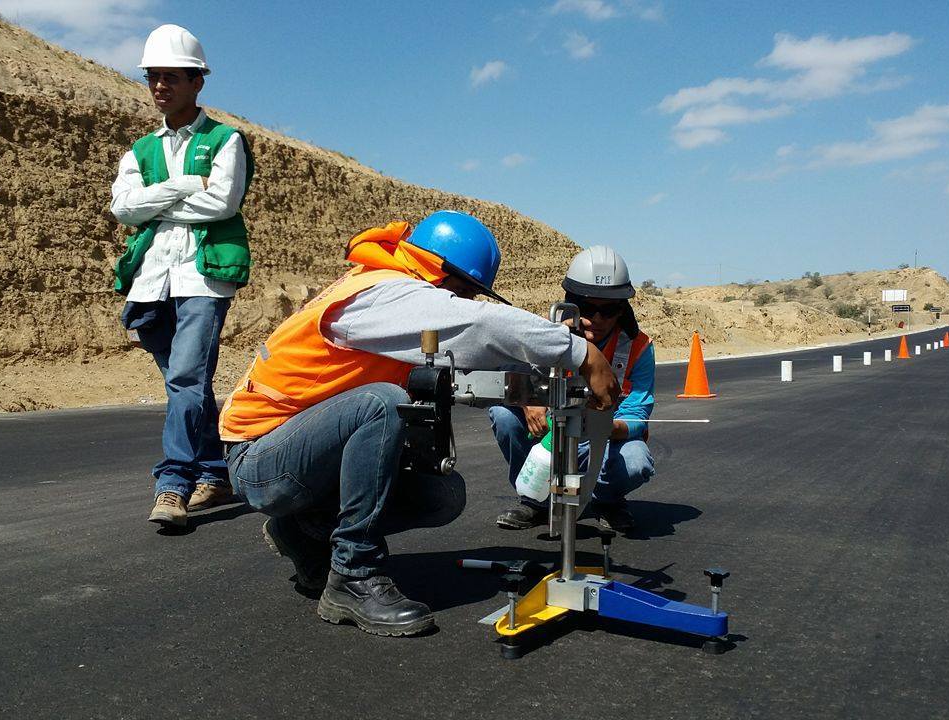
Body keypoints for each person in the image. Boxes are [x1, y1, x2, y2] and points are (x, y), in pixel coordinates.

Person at [219, 211, 620, 637]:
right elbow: (477, 324)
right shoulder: (379, 294)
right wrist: (578, 352)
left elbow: (473, 350)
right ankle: (352, 576)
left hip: (298, 454)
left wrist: (542, 368)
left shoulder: (393, 301)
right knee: (381, 404)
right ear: (441, 273)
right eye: (464, 292)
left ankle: (304, 529)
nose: (465, 303)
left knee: (441, 495)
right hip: (259, 459)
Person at [110, 24, 254, 528]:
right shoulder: (141, 148)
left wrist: (159, 200)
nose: (159, 87)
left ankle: (173, 484)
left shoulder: (226, 139)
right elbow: (123, 209)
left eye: (171, 77)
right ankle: (215, 472)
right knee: (186, 386)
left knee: (187, 378)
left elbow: (222, 202)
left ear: (198, 82)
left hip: (202, 275)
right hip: (153, 279)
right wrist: (185, 183)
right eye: (153, 77)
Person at [489, 246, 656, 533]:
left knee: (636, 460)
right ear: (571, 303)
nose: (599, 319)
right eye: (590, 309)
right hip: (550, 439)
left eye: (609, 310)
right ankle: (537, 501)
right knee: (503, 416)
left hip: (599, 443)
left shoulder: (639, 347)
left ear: (623, 309)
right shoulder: (546, 335)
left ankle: (607, 500)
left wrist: (605, 426)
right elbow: (510, 372)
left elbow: (638, 411)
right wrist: (528, 402)